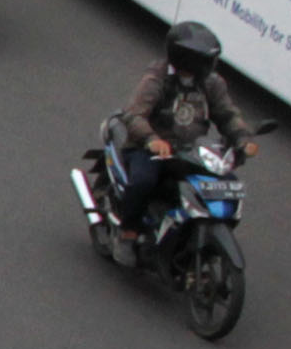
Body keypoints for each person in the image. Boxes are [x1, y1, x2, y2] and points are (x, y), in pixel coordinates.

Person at [107, 18, 256, 232]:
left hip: (189, 151)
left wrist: (242, 137)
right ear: (190, 59)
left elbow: (227, 114)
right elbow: (134, 115)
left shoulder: (211, 83)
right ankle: (128, 233)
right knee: (143, 182)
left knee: (229, 185)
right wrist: (152, 140)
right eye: (207, 59)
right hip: (149, 148)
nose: (211, 64)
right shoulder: (156, 79)